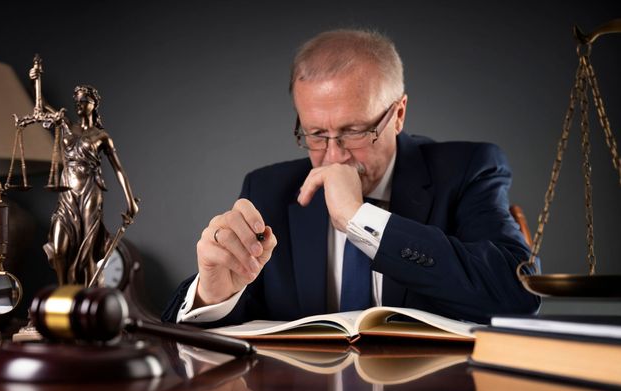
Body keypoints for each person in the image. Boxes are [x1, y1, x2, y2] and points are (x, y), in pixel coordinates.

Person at [162, 28, 539, 325]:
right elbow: (206, 339)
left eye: (355, 131)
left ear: (399, 114)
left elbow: (517, 293)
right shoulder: (268, 190)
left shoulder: (469, 168)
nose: (334, 156)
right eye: (315, 134)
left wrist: (359, 219)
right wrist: (212, 297)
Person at [35, 79, 138, 286]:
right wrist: (36, 79)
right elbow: (40, 107)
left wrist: (131, 202)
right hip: (66, 193)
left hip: (90, 191)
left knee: (86, 253)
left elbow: (118, 169)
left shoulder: (102, 136)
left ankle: (87, 297)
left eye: (84, 101)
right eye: (77, 101)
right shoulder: (65, 124)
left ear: (93, 104)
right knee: (58, 250)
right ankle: (63, 295)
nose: (79, 104)